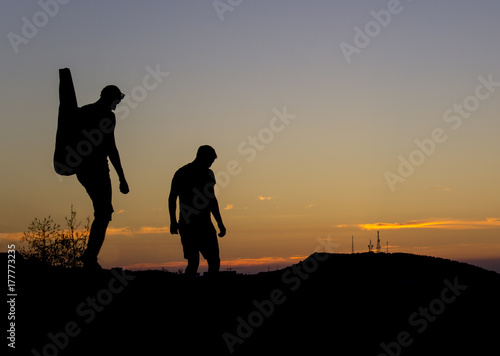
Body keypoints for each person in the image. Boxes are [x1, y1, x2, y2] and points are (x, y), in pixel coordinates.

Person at [77, 85, 129, 270]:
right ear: (112, 98)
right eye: (117, 100)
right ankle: (90, 258)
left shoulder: (83, 111)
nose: (117, 104)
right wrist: (122, 178)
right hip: (97, 168)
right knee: (104, 213)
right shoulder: (107, 116)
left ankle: (90, 257)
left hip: (82, 169)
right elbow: (111, 148)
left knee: (103, 212)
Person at [169, 145, 226, 278]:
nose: (211, 163)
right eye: (210, 160)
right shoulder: (182, 173)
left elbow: (212, 200)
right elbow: (172, 197)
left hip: (205, 223)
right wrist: (172, 221)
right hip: (188, 224)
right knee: (193, 261)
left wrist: (220, 223)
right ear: (202, 157)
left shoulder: (209, 174)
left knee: (214, 260)